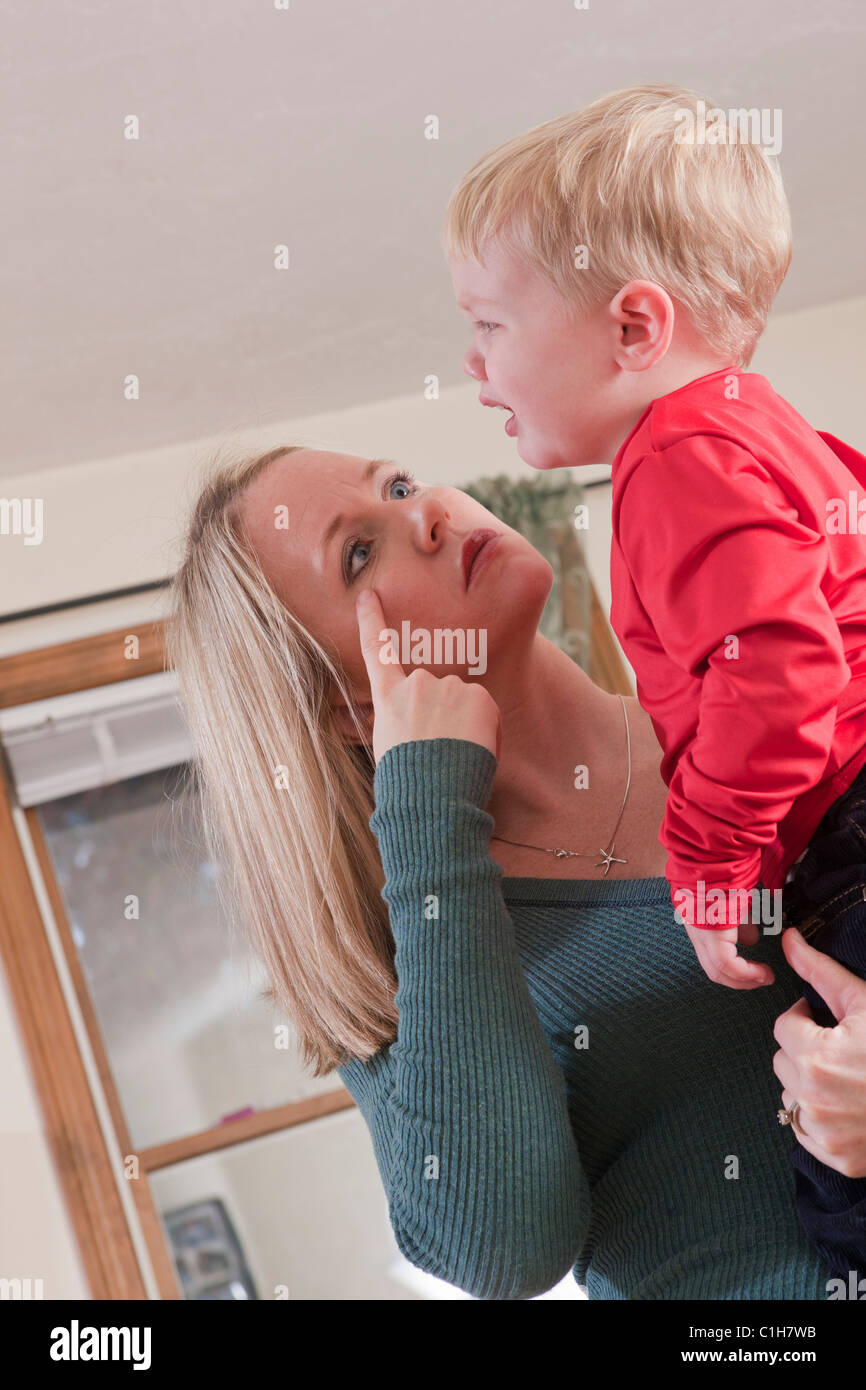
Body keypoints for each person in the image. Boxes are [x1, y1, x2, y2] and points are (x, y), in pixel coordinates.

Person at [167, 444, 866, 1299]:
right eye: (358, 552)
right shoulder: (412, 948)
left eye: (398, 484)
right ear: (342, 707)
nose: (425, 514)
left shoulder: (764, 712)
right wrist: (425, 802)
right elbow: (504, 1251)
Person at [443, 81, 866, 1278]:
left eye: (487, 322)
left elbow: (779, 674)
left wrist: (718, 857)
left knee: (841, 1186)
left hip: (853, 824)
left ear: (634, 327)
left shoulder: (676, 456)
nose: (471, 362)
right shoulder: (764, 427)